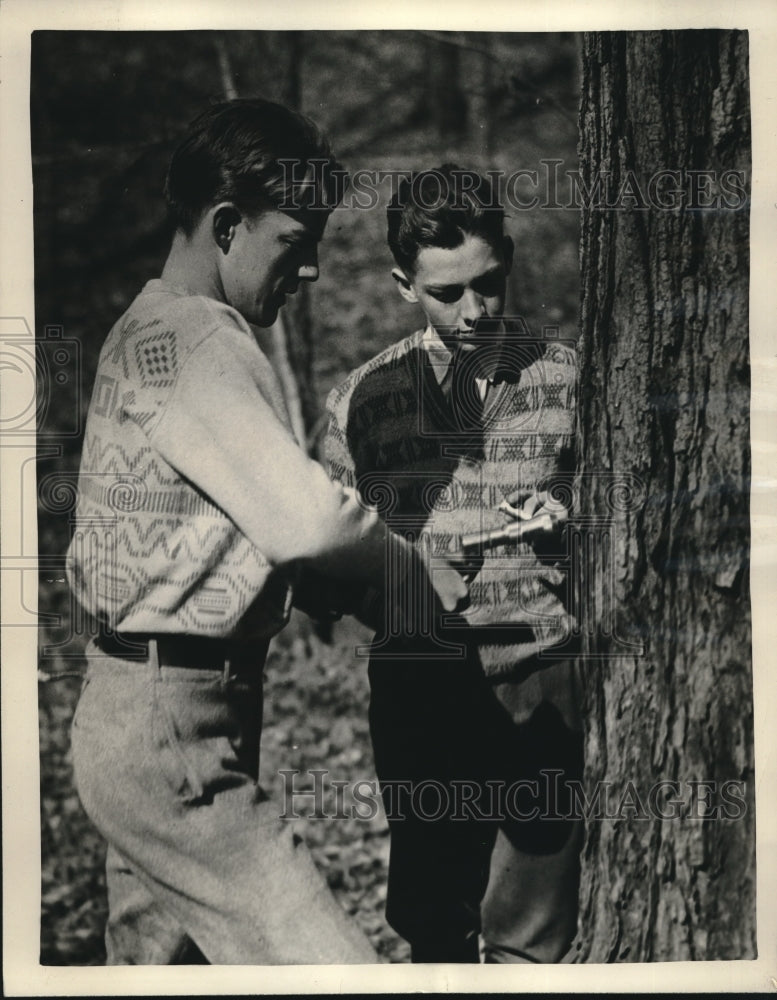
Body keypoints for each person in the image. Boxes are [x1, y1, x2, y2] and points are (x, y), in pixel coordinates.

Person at [66, 101, 467, 966]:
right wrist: (410, 580)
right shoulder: (202, 342)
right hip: (171, 729)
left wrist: (331, 587)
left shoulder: (142, 329)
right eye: (293, 240)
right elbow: (310, 523)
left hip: (135, 709)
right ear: (223, 226)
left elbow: (211, 526)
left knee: (157, 972)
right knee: (328, 970)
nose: (315, 267)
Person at [325, 164, 584, 964]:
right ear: (405, 284)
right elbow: (326, 573)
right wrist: (405, 572)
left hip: (541, 677)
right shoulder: (360, 403)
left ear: (506, 258)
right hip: (422, 686)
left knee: (531, 934)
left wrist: (567, 524)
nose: (475, 312)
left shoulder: (567, 378)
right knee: (433, 923)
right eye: (446, 294)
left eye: (489, 283)